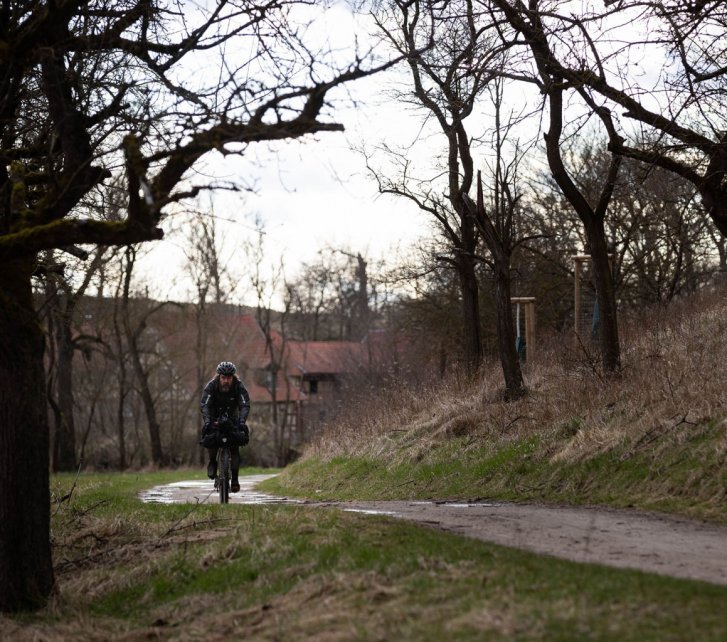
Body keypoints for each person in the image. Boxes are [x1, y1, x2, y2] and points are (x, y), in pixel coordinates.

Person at [200, 361, 251, 493]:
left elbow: (244, 405)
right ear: (219, 376)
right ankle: (212, 462)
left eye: (229, 377)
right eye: (223, 377)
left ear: (233, 377)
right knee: (210, 439)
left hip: (232, 420)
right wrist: (207, 421)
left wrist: (241, 422)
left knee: (235, 447)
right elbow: (205, 405)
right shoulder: (211, 386)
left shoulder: (238, 386)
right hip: (214, 419)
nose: (226, 380)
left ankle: (234, 479)